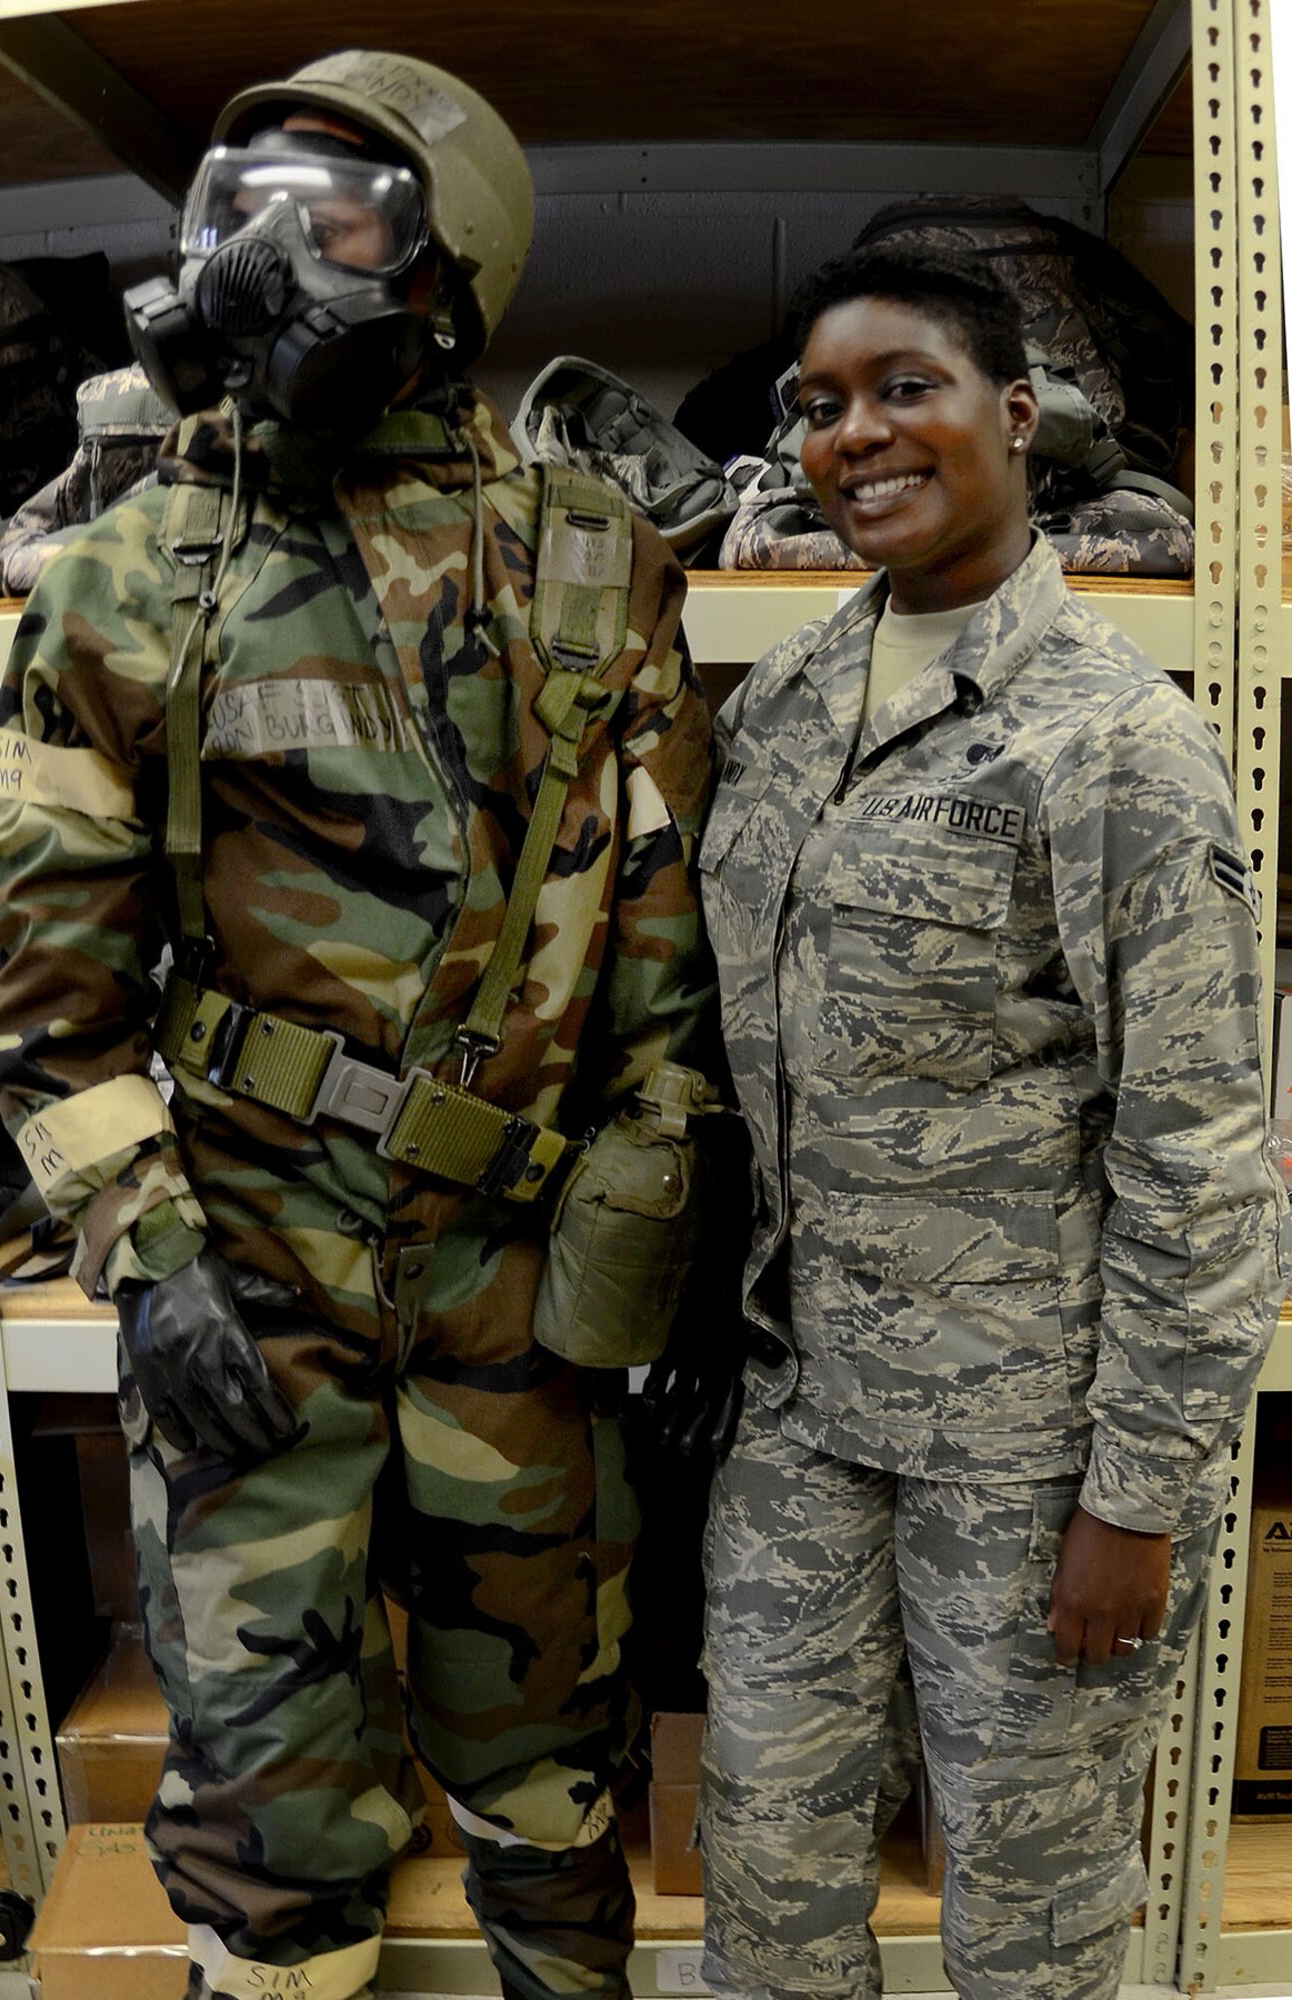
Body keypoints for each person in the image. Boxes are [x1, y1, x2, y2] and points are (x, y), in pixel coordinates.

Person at [0, 49, 719, 2000]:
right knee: (268, 1808)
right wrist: (153, 1254)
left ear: (453, 266)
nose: (257, 260)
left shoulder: (590, 560)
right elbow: (41, 978)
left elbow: (654, 954)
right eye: (233, 213)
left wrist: (645, 1257)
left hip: (521, 1283)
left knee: (547, 1773)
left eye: (331, 217)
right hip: (248, 1270)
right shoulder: (133, 572)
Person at [694, 243, 1286, 2000]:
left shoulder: (1116, 744)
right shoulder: (784, 705)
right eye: (819, 407)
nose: (854, 434)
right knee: (769, 1879)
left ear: (1012, 417)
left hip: (1022, 1453)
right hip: (795, 1413)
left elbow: (1198, 1149)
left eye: (903, 389)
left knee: (1027, 1923)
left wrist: (1137, 1497)